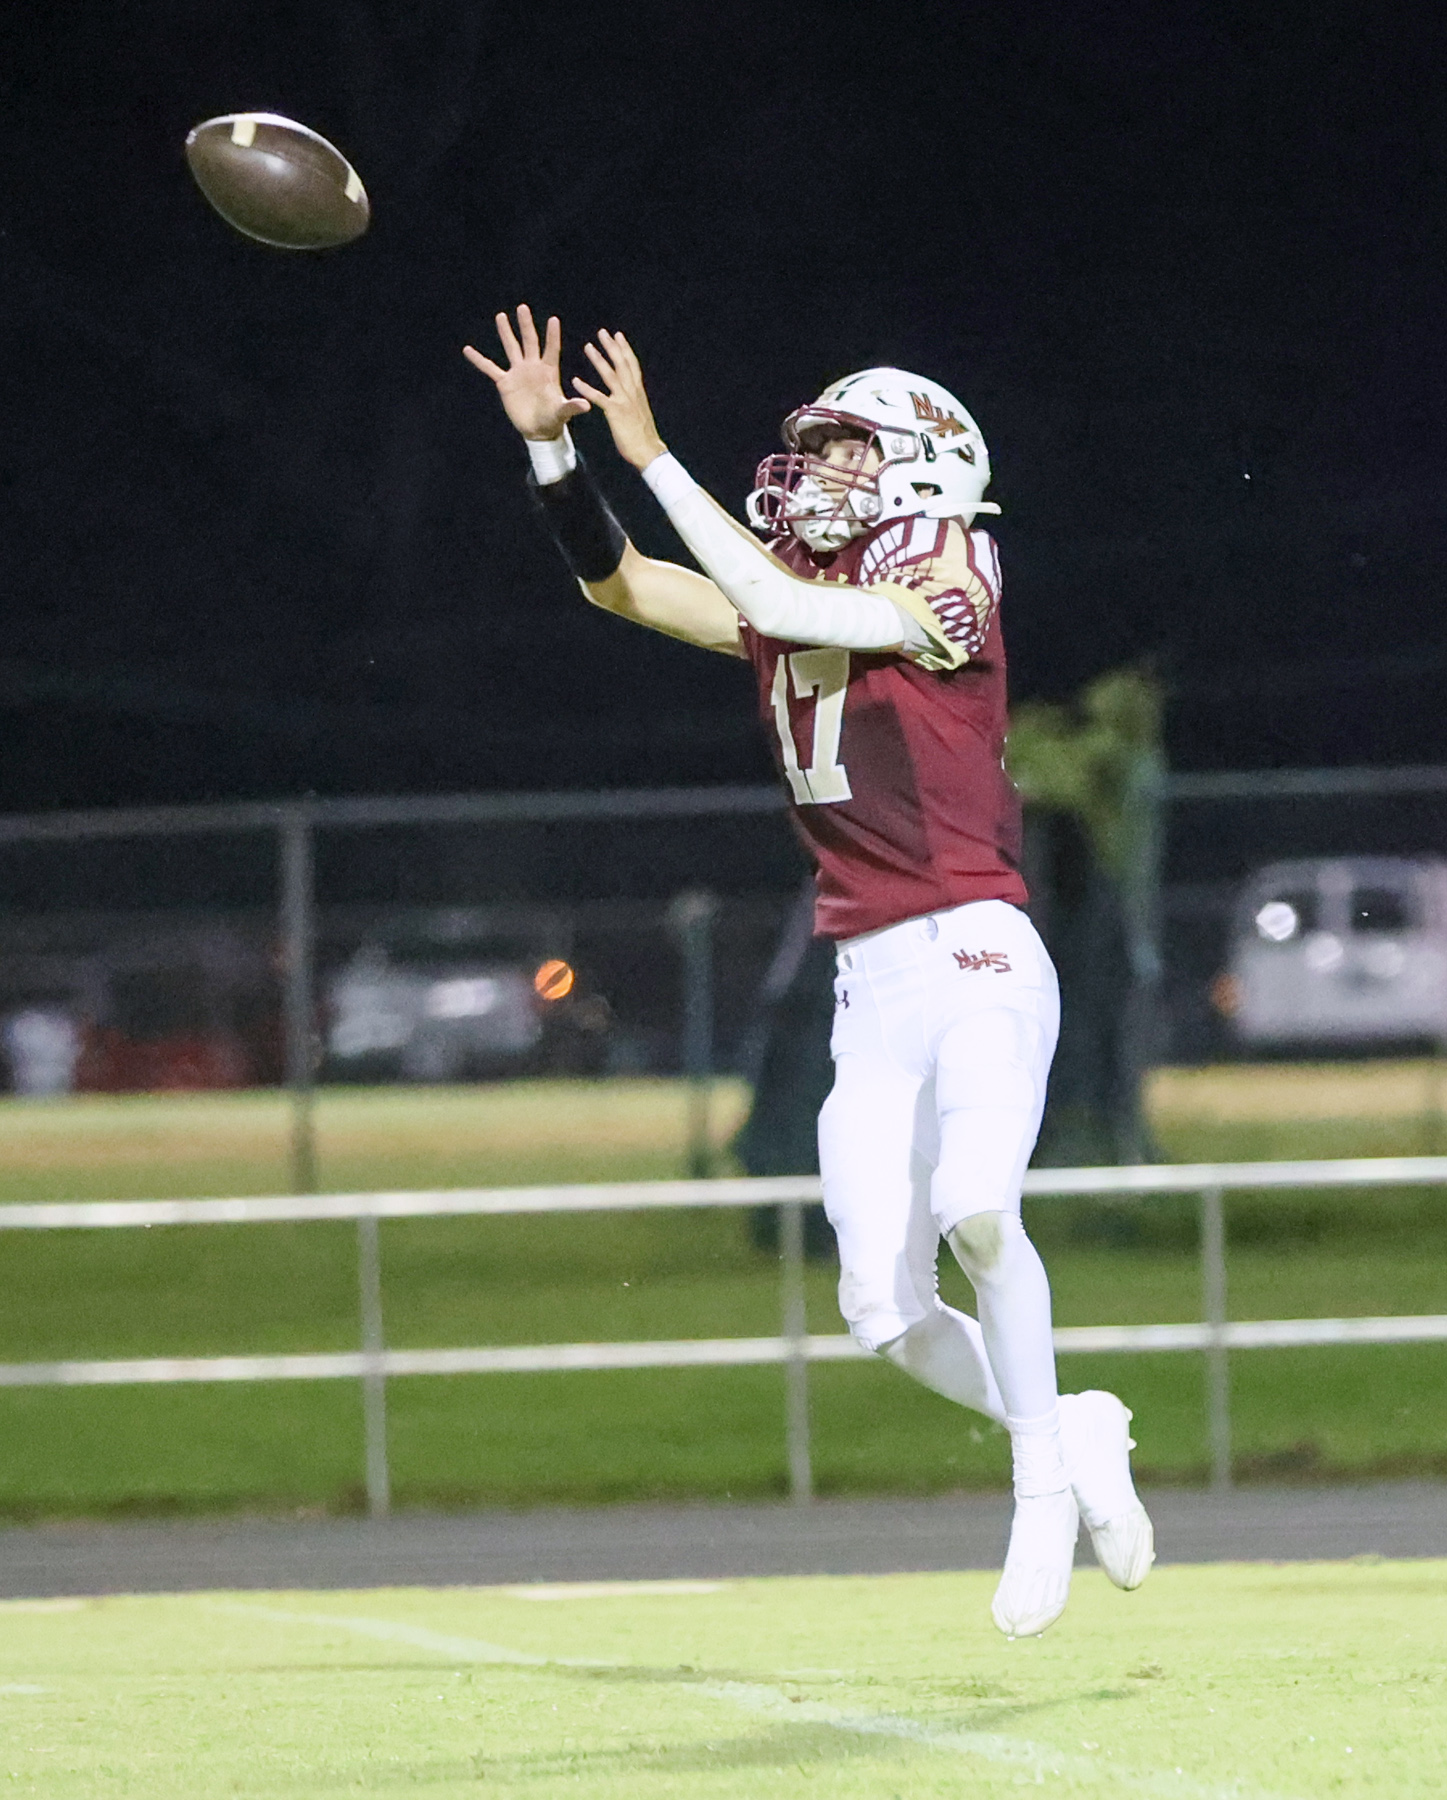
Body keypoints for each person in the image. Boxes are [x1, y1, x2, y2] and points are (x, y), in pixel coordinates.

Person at [464, 306, 1153, 1638]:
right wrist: (557, 455)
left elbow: (780, 603)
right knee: (882, 1309)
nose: (823, 474)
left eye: (850, 453)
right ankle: (1074, 1423)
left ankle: (1039, 1492)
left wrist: (654, 456)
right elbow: (623, 585)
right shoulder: (801, 591)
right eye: (821, 451)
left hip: (976, 949)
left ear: (924, 468)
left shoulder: (954, 568)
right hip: (869, 987)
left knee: (979, 1209)